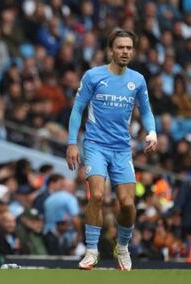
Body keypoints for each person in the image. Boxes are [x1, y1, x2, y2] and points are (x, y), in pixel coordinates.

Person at [66, 29, 158, 271]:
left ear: (133, 51)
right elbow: (77, 110)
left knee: (128, 203)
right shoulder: (93, 76)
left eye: (129, 47)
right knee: (96, 195)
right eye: (120, 47)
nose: (125, 51)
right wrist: (71, 143)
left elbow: (146, 111)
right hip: (95, 145)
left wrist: (152, 132)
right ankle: (92, 250)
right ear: (111, 50)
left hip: (122, 149)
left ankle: (123, 246)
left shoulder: (137, 80)